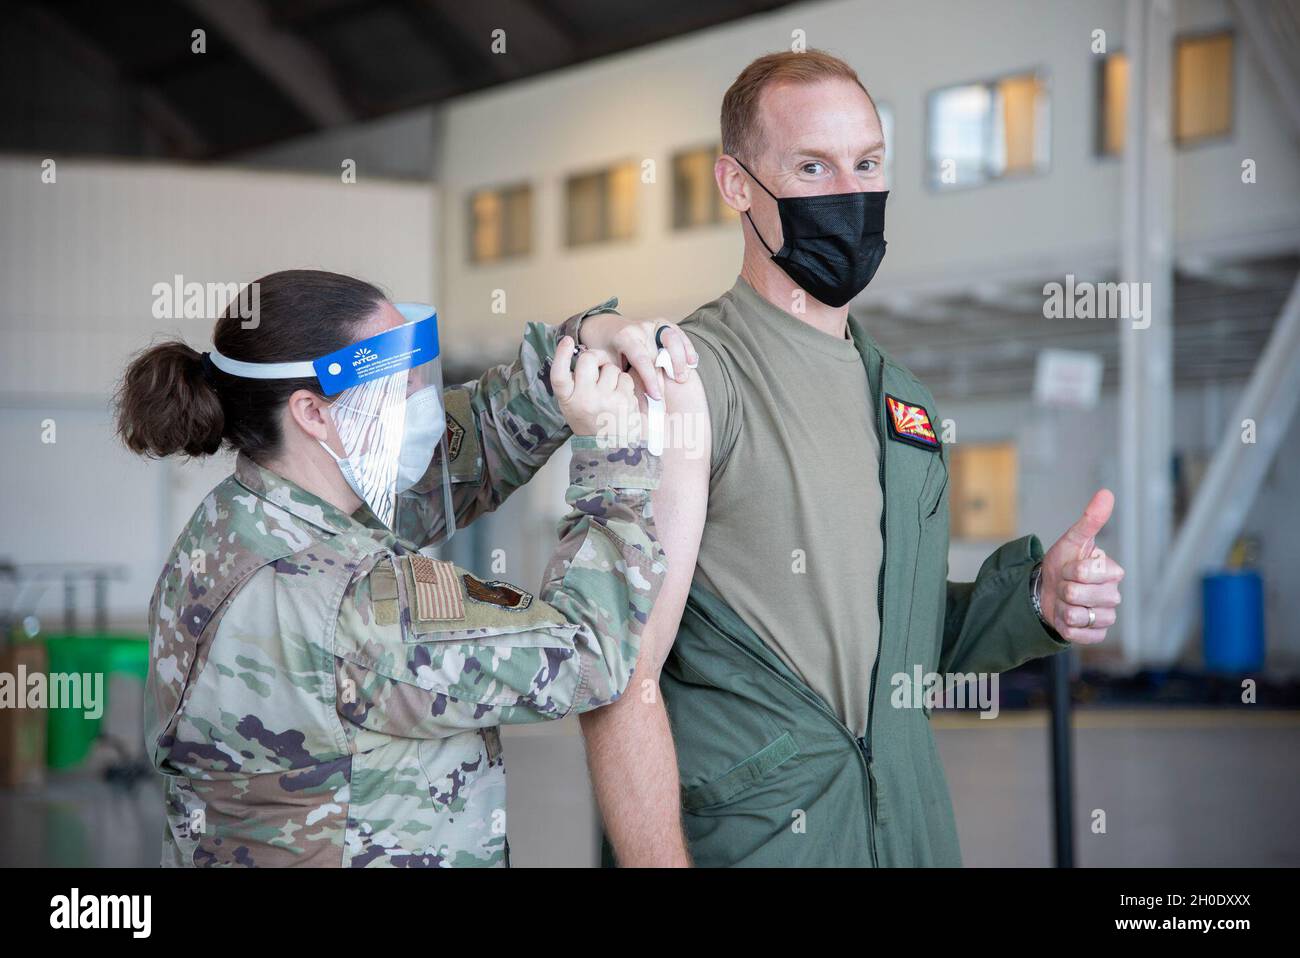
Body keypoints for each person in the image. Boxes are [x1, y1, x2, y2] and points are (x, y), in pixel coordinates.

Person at [580, 51, 1127, 867]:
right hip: (771, 841)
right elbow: (621, 674)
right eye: (812, 166)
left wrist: (1035, 602)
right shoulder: (694, 379)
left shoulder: (902, 401)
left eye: (867, 163)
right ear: (736, 185)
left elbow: (895, 639)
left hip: (910, 835)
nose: (849, 191)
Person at [114, 268, 693, 867]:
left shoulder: (240, 524)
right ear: (313, 413)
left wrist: (581, 343)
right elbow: (591, 656)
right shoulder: (358, 600)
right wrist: (614, 454)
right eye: (399, 383)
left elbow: (464, 459)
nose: (423, 397)